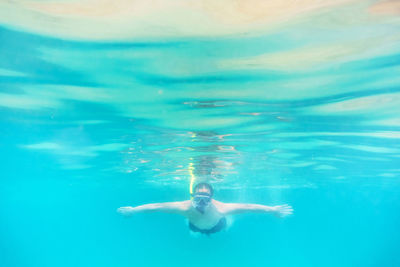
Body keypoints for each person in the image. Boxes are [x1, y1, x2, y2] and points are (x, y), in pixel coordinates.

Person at [117, 183, 293, 235]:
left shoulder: (221, 207)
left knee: (222, 226)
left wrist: (272, 210)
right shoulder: (184, 207)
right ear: (192, 196)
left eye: (205, 198)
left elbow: (248, 206)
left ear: (212, 198)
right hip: (194, 225)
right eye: (198, 198)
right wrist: (134, 210)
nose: (201, 202)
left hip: (217, 226)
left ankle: (226, 225)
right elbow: (157, 206)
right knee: (193, 228)